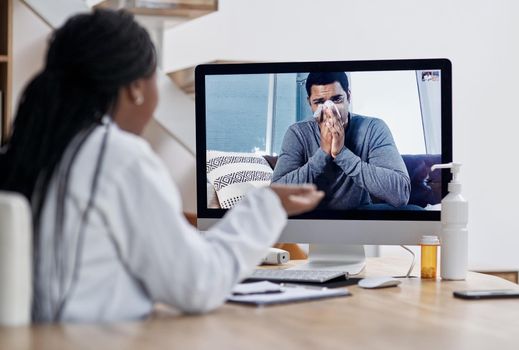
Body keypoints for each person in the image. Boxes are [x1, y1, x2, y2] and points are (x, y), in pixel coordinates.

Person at [0, 9, 323, 323]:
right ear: (136, 88)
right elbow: (198, 285)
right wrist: (266, 204)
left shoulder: (33, 150)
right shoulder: (118, 156)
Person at [272, 72, 410, 210]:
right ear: (310, 103)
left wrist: (341, 153)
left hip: (358, 216)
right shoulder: (297, 133)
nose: (329, 111)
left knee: (414, 211)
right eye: (319, 102)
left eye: (337, 99)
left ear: (348, 97)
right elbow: (275, 196)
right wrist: (323, 153)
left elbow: (400, 194)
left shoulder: (373, 128)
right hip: (311, 219)